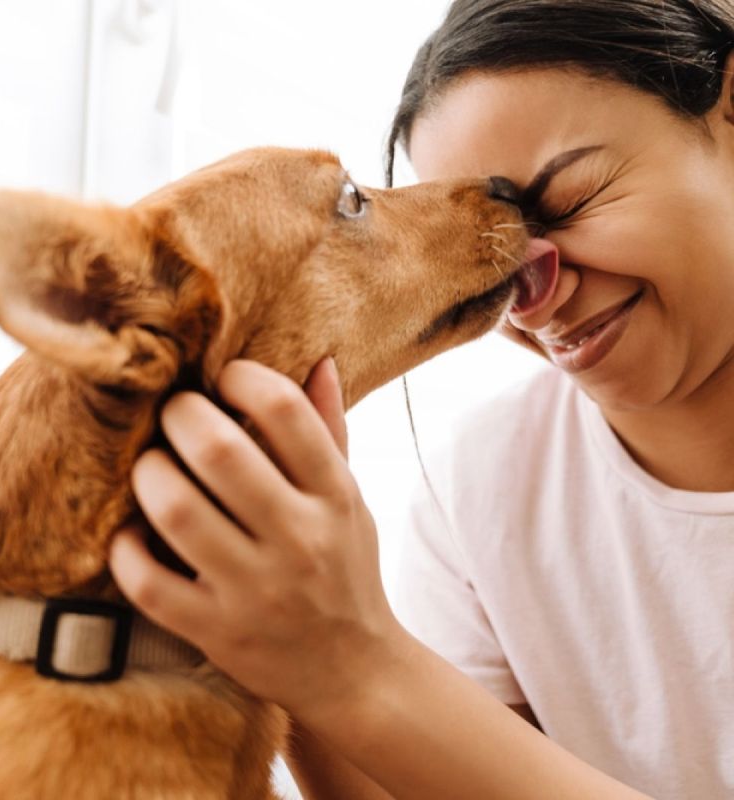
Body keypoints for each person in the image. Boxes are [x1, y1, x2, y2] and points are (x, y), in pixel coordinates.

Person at [108, 1, 734, 798]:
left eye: (572, 199)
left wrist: (353, 658)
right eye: (499, 260)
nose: (534, 300)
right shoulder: (481, 486)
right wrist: (279, 627)